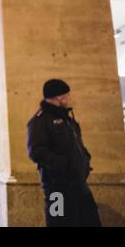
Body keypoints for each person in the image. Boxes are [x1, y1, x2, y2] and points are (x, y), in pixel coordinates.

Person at [27, 79, 101, 227]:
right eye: (67, 95)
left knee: (91, 221)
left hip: (79, 185)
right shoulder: (40, 121)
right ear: (58, 97)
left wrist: (85, 159)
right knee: (58, 223)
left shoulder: (66, 118)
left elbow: (76, 145)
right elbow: (36, 152)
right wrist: (66, 165)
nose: (70, 98)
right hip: (56, 190)